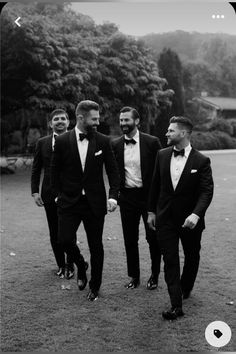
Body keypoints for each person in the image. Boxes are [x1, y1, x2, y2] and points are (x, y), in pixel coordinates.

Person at [50, 100, 120, 301]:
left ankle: (95, 286)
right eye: (94, 118)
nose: (97, 122)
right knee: (64, 240)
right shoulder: (62, 141)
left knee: (96, 245)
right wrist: (57, 195)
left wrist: (113, 196)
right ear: (81, 118)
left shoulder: (103, 141)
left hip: (94, 203)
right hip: (69, 202)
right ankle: (81, 265)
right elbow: (54, 173)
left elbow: (113, 173)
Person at [148, 116, 214, 320]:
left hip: (190, 221)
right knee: (170, 259)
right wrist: (151, 212)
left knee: (192, 256)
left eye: (170, 131)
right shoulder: (162, 155)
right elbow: (155, 186)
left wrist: (196, 214)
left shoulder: (201, 161)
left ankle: (186, 288)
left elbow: (206, 191)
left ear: (183, 133)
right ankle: (176, 304)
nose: (166, 133)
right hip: (165, 218)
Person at [112, 107, 162, 290]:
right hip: (127, 198)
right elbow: (114, 173)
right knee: (129, 239)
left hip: (149, 197)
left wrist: (158, 200)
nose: (123, 123)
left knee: (153, 238)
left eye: (127, 120)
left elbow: (160, 172)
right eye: (121, 120)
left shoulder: (152, 142)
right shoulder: (115, 144)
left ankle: (155, 275)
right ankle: (134, 276)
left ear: (137, 121)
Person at [31, 109, 74, 279]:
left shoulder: (75, 140)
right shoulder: (42, 143)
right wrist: (35, 192)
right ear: (50, 124)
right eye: (56, 119)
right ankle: (61, 265)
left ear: (68, 122)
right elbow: (36, 170)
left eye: (63, 118)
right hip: (49, 193)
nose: (60, 121)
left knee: (68, 232)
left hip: (70, 193)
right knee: (54, 232)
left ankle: (71, 264)